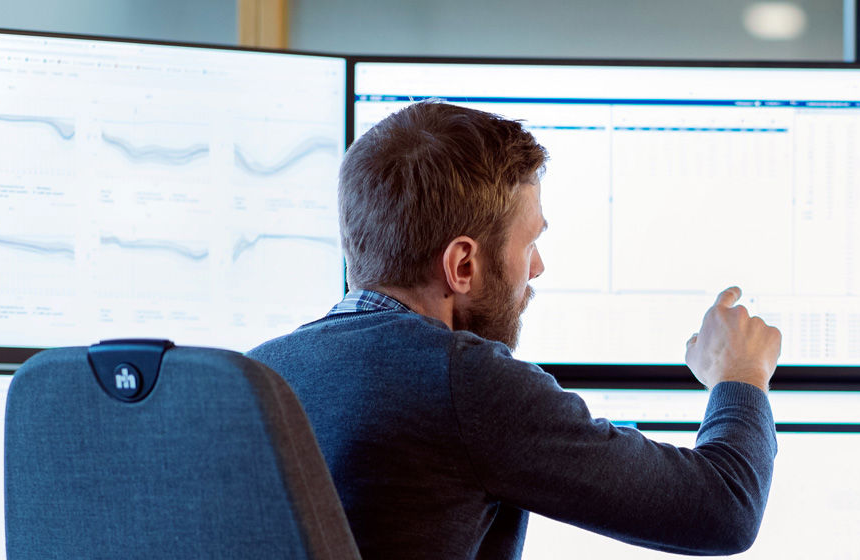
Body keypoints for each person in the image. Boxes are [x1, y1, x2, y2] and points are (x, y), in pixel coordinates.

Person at [249, 100, 785, 559]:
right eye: (529, 244)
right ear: (463, 265)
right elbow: (723, 509)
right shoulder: (462, 381)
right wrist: (739, 373)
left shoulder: (258, 374)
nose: (537, 268)